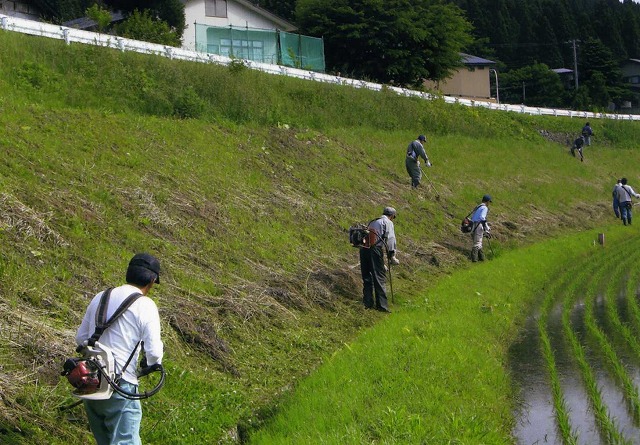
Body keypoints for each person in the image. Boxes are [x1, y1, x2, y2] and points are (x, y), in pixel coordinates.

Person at [76, 253, 164, 445]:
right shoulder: (145, 304)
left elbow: (81, 339)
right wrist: (152, 364)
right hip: (120, 385)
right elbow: (154, 353)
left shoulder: (101, 296)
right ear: (152, 280)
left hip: (91, 383)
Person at [359, 207, 399, 313]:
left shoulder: (373, 221)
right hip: (374, 250)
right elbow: (390, 239)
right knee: (379, 277)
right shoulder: (388, 223)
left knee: (367, 277)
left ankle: (367, 303)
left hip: (364, 249)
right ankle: (382, 306)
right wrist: (391, 255)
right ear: (392, 216)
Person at [470, 194, 492, 262]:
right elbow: (482, 217)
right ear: (487, 201)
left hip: (473, 225)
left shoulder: (478, 206)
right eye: (489, 202)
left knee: (479, 243)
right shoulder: (484, 208)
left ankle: (482, 259)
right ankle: (474, 260)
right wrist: (486, 227)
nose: (489, 203)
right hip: (478, 225)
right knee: (477, 243)